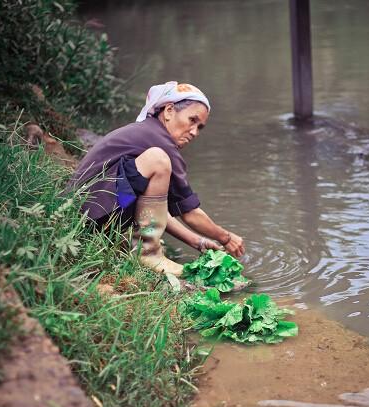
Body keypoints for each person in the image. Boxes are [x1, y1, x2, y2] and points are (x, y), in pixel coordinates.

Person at [66, 81, 245, 276]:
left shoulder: (149, 132)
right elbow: (190, 213)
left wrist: (197, 241)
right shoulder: (160, 143)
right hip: (84, 218)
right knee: (158, 160)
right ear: (168, 111)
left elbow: (152, 211)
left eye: (200, 127)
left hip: (80, 218)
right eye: (192, 120)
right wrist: (226, 238)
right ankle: (148, 253)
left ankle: (146, 249)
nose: (194, 132)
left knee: (156, 174)